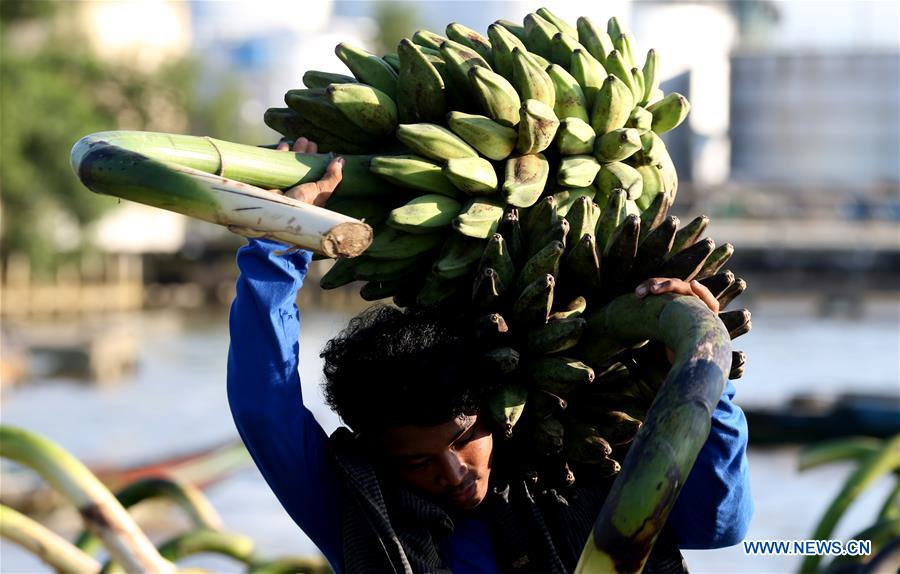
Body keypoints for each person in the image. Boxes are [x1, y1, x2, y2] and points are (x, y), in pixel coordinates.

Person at [227, 138, 753, 574]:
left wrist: (704, 371)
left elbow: (717, 524)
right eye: (418, 461)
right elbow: (264, 406)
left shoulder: (587, 465)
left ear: (490, 405)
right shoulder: (360, 509)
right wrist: (281, 243)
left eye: (462, 439)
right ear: (383, 457)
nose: (453, 473)